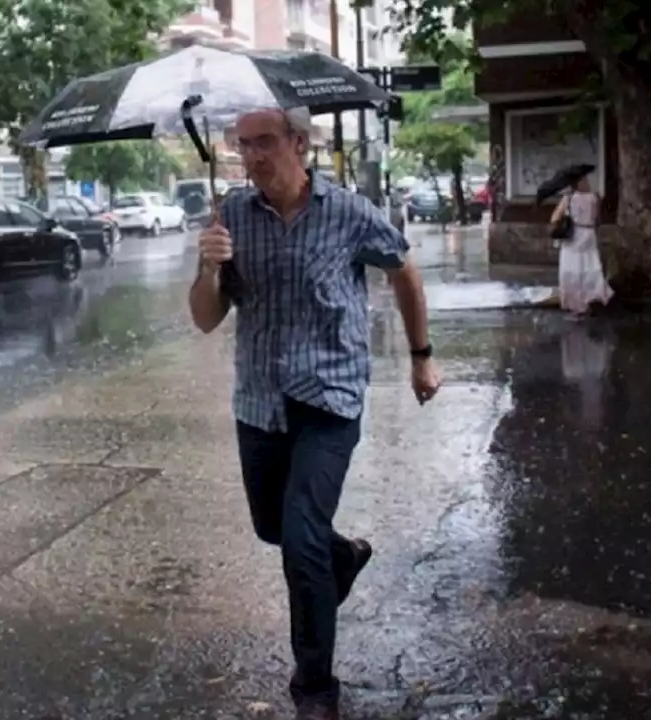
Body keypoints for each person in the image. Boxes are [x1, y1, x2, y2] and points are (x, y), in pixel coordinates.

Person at [188, 107, 440, 720]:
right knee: (273, 527)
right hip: (260, 401)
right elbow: (203, 317)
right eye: (243, 145)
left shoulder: (346, 211)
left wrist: (421, 356)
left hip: (330, 396)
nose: (252, 156)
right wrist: (209, 267)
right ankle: (343, 556)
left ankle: (315, 689)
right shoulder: (230, 220)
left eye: (265, 143)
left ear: (299, 143)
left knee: (299, 539)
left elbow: (403, 267)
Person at [550, 175, 612, 316]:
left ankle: (574, 303)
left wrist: (567, 215)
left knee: (572, 267)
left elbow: (554, 218)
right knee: (589, 265)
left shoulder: (569, 198)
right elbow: (597, 220)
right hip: (589, 234)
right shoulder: (594, 198)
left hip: (574, 235)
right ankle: (592, 296)